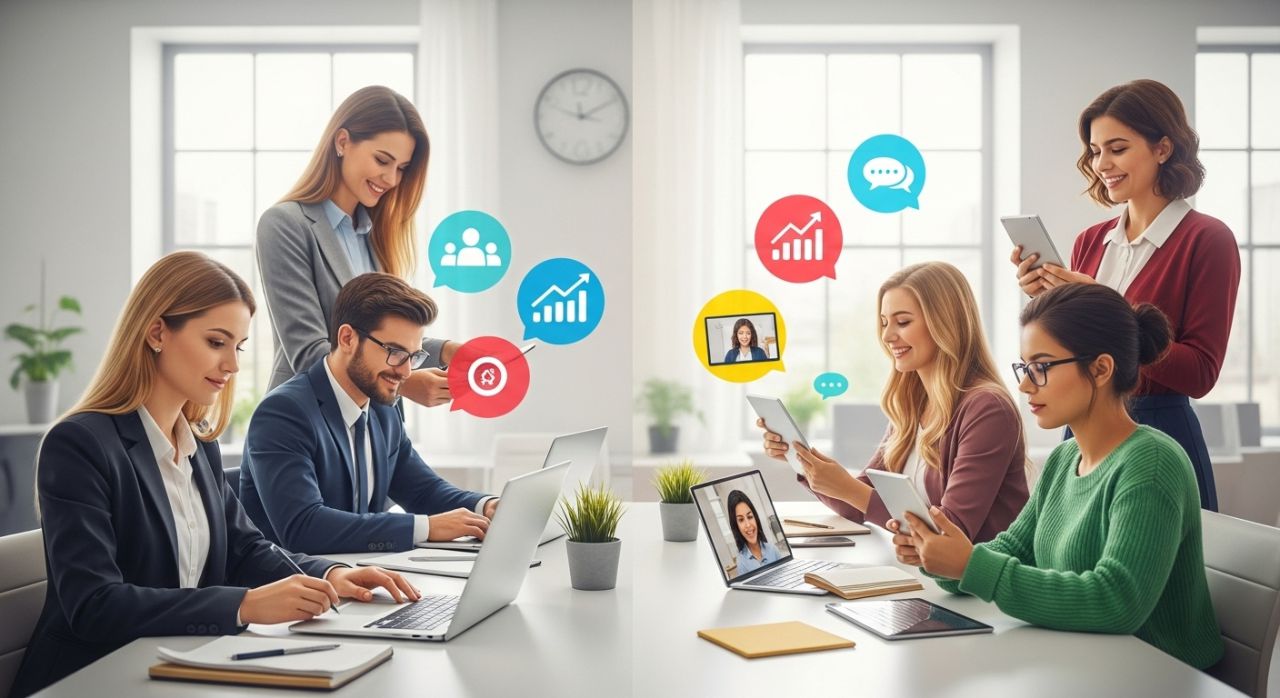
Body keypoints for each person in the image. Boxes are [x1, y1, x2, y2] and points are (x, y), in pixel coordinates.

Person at [11, 252, 420, 698]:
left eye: (239, 346)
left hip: (179, 664)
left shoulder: (198, 443)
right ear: (156, 333)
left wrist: (333, 575)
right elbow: (94, 604)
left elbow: (245, 549)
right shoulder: (80, 444)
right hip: (92, 678)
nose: (233, 364)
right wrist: (244, 605)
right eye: (215, 342)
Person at [892, 283, 1223, 670]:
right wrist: (940, 557)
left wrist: (969, 566)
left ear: (1100, 369)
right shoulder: (1065, 458)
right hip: (1085, 663)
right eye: (1024, 366)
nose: (1024, 384)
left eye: (1042, 367)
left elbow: (1117, 602)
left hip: (1157, 675)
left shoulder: (1150, 462)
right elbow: (1013, 548)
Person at [1010, 79, 1240, 511]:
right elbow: (1078, 352)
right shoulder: (1090, 242)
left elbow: (1201, 373)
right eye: (1095, 151)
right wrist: (1046, 300)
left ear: (1163, 149)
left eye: (1117, 149)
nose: (1101, 164)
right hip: (1082, 432)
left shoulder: (1208, 240)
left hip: (1160, 431)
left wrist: (1107, 303)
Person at [759, 262, 1028, 543]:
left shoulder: (988, 409)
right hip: (926, 575)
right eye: (884, 322)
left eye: (903, 322)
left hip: (973, 585)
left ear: (944, 324)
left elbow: (950, 535)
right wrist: (801, 459)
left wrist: (849, 488)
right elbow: (857, 503)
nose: (887, 336)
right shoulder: (912, 404)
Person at [239, 272, 498, 554]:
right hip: (295, 587)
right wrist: (426, 528)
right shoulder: (284, 413)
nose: (407, 371)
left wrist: (487, 507)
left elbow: (423, 491)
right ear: (348, 338)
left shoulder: (383, 409)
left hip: (363, 578)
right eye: (395, 352)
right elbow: (304, 528)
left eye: (414, 356)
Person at [256, 85, 459, 407]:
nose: (392, 179)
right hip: (305, 425)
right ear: (342, 142)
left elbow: (379, 340)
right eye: (382, 160)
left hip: (370, 430)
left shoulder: (376, 237)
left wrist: (449, 351)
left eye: (402, 169)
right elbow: (309, 352)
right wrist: (403, 383)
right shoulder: (285, 225)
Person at [727, 490, 781, 574]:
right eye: (741, 520)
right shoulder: (742, 562)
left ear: (755, 518)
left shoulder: (773, 549)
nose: (748, 525)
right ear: (736, 526)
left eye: (750, 517)